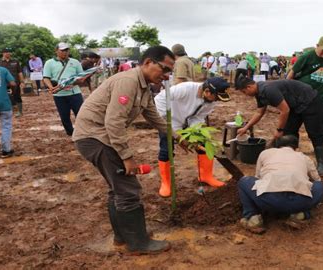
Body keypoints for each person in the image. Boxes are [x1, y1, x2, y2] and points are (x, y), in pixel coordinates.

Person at [73, 46, 184, 255]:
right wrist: (127, 157)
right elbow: (114, 122)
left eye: (170, 71)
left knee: (119, 189)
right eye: (165, 69)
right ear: (149, 62)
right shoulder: (128, 82)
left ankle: (123, 236)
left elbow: (155, 118)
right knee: (128, 189)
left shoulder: (143, 87)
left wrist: (179, 138)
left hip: (98, 137)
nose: (167, 75)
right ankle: (138, 243)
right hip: (95, 137)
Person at [235, 76, 323, 176]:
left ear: (249, 87)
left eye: (244, 92)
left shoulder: (268, 90)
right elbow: (259, 113)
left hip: (310, 101)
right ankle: (291, 161)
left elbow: (285, 110)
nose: (245, 95)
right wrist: (246, 128)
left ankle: (321, 164)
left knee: (315, 132)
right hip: (295, 105)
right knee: (288, 132)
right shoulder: (259, 93)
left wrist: (279, 130)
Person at [154, 77, 231, 197]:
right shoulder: (185, 89)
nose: (216, 100)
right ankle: (166, 184)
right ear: (207, 91)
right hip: (168, 122)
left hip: (188, 124)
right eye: (215, 97)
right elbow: (160, 98)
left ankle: (206, 176)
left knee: (204, 144)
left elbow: (199, 117)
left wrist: (194, 134)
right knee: (166, 150)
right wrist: (171, 127)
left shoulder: (211, 101)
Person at [237, 135, 323, 233]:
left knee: (243, 181)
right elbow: (317, 179)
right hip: (298, 203)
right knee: (319, 186)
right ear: (296, 148)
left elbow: (258, 177)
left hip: (268, 201)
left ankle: (252, 217)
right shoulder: (304, 158)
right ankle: (300, 215)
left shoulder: (265, 153)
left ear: (277, 146)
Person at [286, 35, 323, 175]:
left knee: (318, 132)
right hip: (299, 99)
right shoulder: (307, 56)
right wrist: (288, 93)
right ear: (317, 46)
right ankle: (289, 159)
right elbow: (292, 74)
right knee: (290, 129)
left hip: (320, 99)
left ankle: (321, 163)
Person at [43, 42, 85, 136]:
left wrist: (73, 83)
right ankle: (70, 132)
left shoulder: (75, 62)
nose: (65, 52)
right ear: (56, 51)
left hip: (75, 93)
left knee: (81, 114)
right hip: (59, 95)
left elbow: (82, 78)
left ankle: (81, 132)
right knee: (64, 116)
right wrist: (51, 87)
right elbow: (46, 78)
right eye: (62, 50)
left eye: (66, 50)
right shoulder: (49, 63)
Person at [0, 48, 25, 117]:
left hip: (15, 83)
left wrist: (22, 81)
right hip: (3, 83)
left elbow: (20, 72)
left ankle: (20, 112)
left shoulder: (15, 61)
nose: (8, 53)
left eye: (9, 52)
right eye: (6, 52)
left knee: (17, 97)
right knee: (3, 97)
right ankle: (5, 112)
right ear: (3, 53)